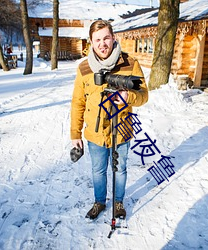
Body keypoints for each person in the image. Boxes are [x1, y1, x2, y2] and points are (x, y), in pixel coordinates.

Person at [70, 20, 148, 220]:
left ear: (113, 38)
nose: (102, 43)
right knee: (98, 170)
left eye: (106, 38)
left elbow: (144, 95)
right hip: (95, 133)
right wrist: (75, 134)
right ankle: (99, 202)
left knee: (120, 168)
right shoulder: (84, 68)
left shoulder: (130, 63)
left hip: (122, 129)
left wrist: (128, 97)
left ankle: (119, 202)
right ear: (91, 42)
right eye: (97, 40)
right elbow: (78, 102)